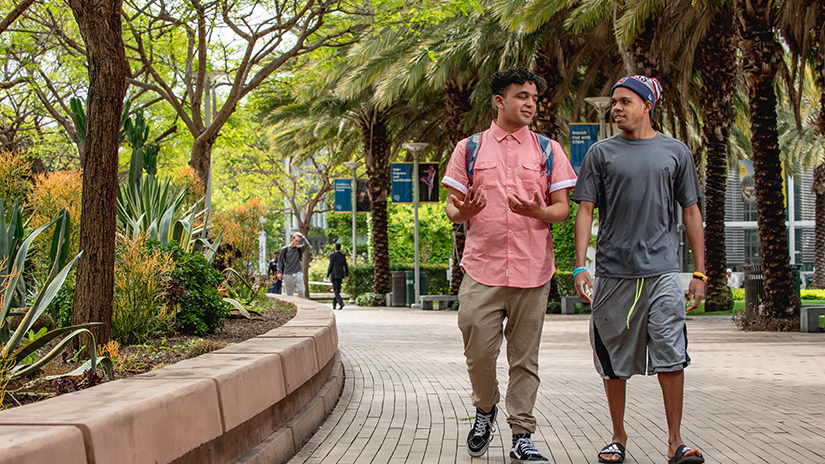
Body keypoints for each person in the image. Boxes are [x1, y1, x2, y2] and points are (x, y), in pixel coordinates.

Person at [441, 67, 578, 463]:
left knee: (525, 358)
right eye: (522, 96)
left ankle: (522, 432)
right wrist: (460, 210)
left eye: (534, 98)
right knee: (479, 352)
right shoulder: (468, 149)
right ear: (499, 101)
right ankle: (485, 409)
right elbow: (452, 206)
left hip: (533, 270)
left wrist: (541, 210)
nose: (530, 104)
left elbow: (562, 210)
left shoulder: (548, 150)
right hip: (481, 269)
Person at [571, 75, 706, 464]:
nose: (617, 108)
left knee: (671, 352)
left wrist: (698, 273)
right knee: (613, 358)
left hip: (663, 271)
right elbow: (584, 210)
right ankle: (617, 436)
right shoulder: (600, 153)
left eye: (625, 101)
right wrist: (581, 266)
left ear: (647, 105)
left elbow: (692, 212)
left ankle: (676, 441)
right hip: (613, 273)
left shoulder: (676, 151)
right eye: (614, 102)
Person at [278, 232, 310, 298]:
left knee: (301, 290)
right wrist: (279, 272)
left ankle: (302, 305)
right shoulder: (285, 249)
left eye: (298, 241)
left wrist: (302, 235)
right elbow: (280, 261)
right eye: (296, 241)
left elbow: (307, 244)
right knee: (289, 295)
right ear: (292, 239)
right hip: (288, 274)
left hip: (298, 272)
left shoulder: (299, 249)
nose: (297, 243)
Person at [326, 243, 349, 310]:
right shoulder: (342, 256)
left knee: (336, 290)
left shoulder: (332, 256)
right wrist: (346, 275)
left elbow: (331, 265)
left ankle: (341, 303)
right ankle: (334, 304)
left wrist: (327, 274)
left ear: (335, 248)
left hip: (334, 275)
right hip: (340, 275)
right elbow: (346, 266)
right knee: (337, 290)